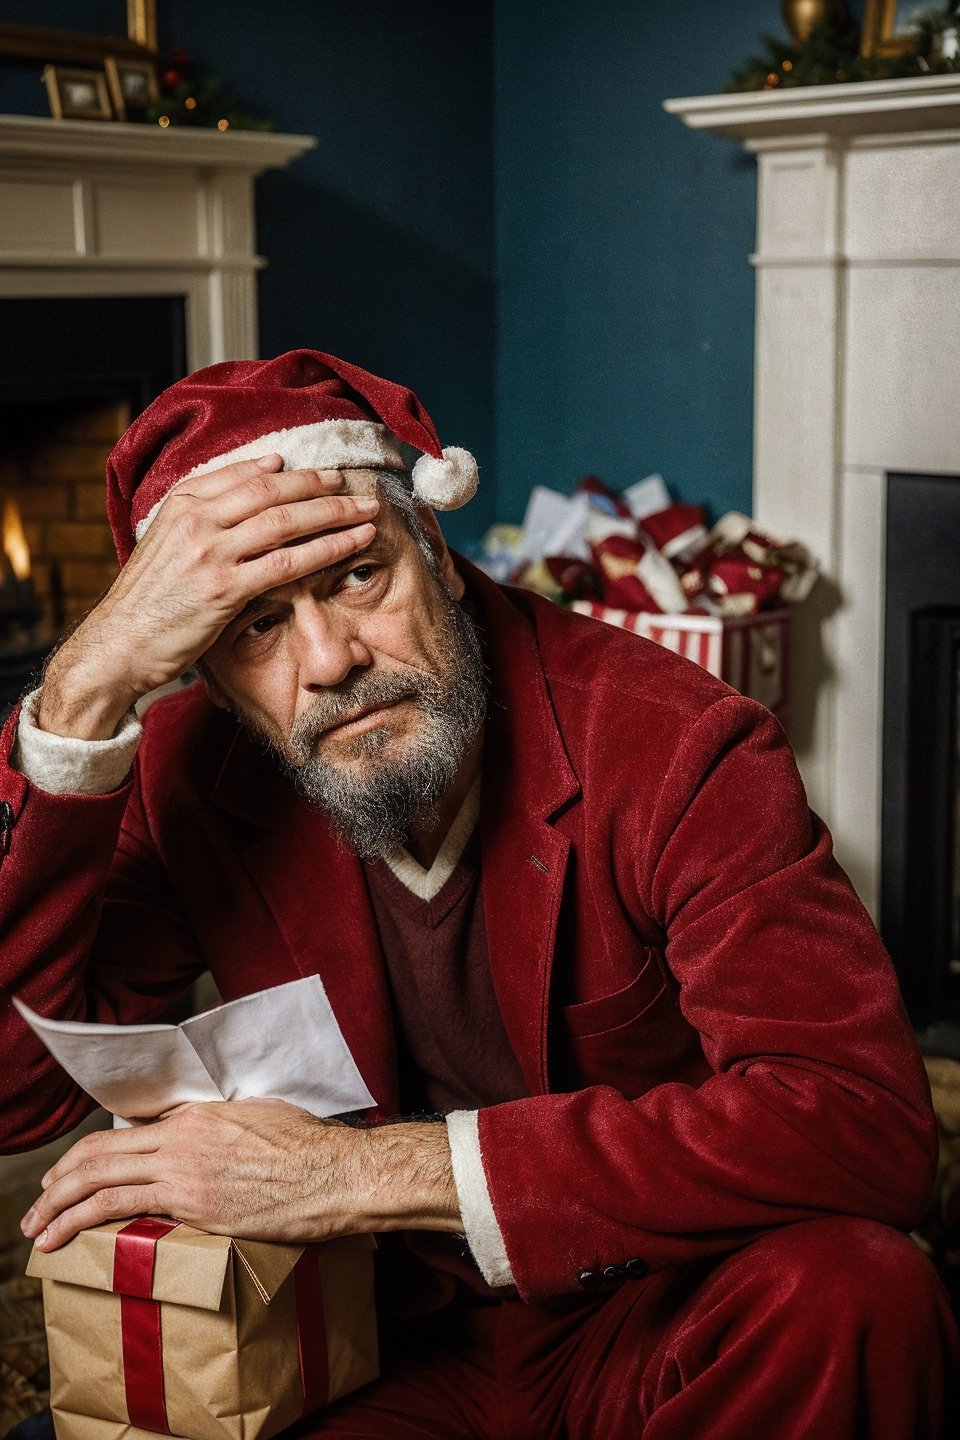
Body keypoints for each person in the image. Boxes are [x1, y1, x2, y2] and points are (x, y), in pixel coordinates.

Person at [0, 350, 956, 1440]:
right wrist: (82, 697)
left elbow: (868, 1127)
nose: (328, 661)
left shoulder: (678, 744)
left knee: (862, 1294)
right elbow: (14, 1094)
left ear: (438, 552)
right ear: (208, 674)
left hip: (647, 1312)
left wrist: (360, 1173)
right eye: (255, 626)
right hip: (368, 1339)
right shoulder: (188, 777)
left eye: (356, 574)